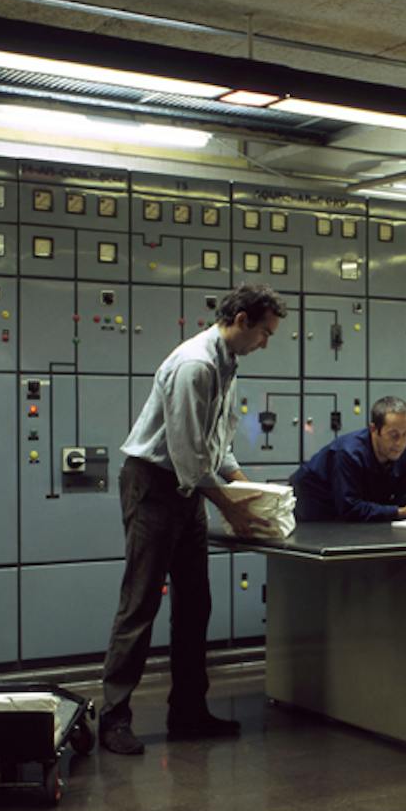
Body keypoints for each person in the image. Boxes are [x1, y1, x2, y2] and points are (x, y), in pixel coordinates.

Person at [99, 283, 287, 755]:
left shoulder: (227, 364)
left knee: (194, 603)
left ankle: (188, 711)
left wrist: (246, 491)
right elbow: (186, 454)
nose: (266, 343)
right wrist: (230, 506)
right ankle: (114, 717)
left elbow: (216, 445)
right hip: (154, 485)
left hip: (187, 489)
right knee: (140, 602)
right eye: (265, 333)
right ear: (241, 321)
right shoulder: (195, 365)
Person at [290, 396, 406, 521]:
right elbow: (349, 507)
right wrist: (399, 512)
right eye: (393, 435)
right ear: (373, 429)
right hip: (313, 506)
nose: (400, 443)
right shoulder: (348, 453)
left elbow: (405, 506)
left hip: (356, 510)